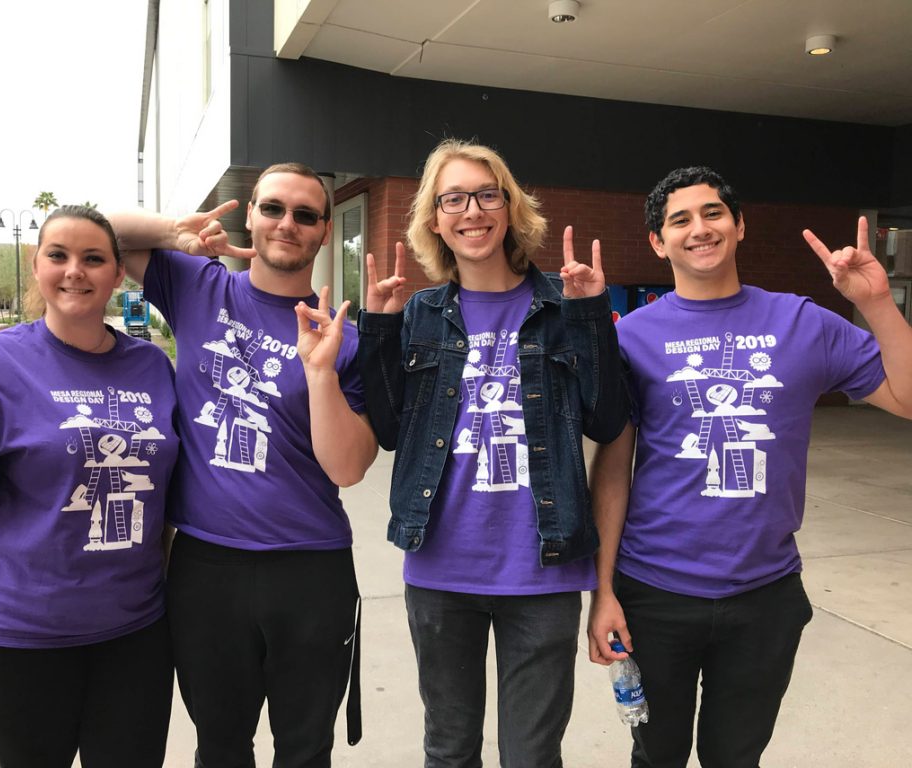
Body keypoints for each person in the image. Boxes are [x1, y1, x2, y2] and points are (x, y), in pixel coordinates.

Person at [587, 166, 912, 767]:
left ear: (740, 225)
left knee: (736, 758)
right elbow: (612, 468)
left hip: (765, 595)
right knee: (655, 755)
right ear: (659, 243)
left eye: (713, 213)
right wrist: (602, 590)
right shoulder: (631, 336)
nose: (699, 228)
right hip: (655, 591)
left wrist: (875, 303)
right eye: (678, 220)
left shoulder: (802, 322)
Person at [357, 138, 628, 767]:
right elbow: (392, 429)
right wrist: (379, 330)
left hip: (543, 569)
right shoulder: (418, 314)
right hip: (441, 571)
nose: (471, 211)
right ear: (434, 218)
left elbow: (607, 419)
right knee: (449, 751)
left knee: (531, 757)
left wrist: (591, 316)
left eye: (486, 194)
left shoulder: (565, 306)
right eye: (453, 198)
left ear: (510, 208)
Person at [106, 161, 378, 768]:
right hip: (208, 568)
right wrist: (175, 230)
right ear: (250, 213)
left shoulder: (344, 339)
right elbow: (101, 230)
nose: (288, 224)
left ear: (325, 232)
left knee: (306, 751)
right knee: (221, 746)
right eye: (274, 208)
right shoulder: (199, 284)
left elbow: (348, 469)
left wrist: (320, 372)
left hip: (310, 569)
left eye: (306, 215)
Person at [0, 205, 180, 768]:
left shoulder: (152, 367)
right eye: (57, 256)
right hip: (7, 632)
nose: (74, 271)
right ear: (36, 267)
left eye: (93, 258)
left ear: (117, 274)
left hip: (132, 627)